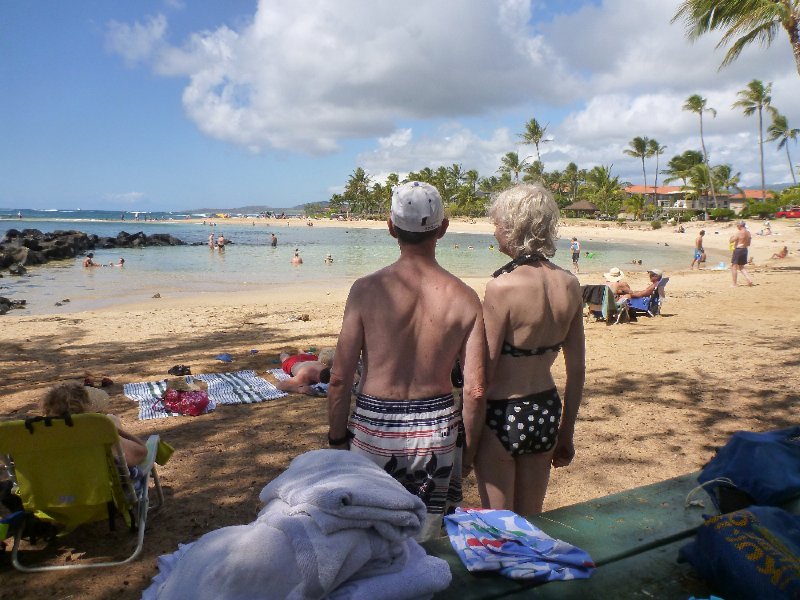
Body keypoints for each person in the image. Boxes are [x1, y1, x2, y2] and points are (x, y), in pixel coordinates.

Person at [327, 181, 486, 541]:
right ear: (443, 229)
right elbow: (475, 390)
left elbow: (339, 378)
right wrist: (468, 455)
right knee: (425, 540)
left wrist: (337, 439)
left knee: (367, 537)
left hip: (373, 426)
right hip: (436, 433)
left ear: (391, 227)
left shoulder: (365, 290)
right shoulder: (465, 297)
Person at [476, 184, 585, 515]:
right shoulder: (569, 283)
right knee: (530, 521)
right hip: (545, 410)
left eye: (496, 224)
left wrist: (467, 442)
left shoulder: (502, 287)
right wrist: (566, 433)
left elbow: (484, 370)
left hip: (502, 412)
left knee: (500, 525)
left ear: (512, 225)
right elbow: (577, 370)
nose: (494, 232)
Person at [41, 382, 147, 468]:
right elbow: (141, 452)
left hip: (57, 491)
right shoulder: (96, 432)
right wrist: (115, 430)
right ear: (86, 407)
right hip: (103, 489)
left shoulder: (40, 435)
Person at [730, 220, 754, 287]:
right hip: (744, 249)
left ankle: (734, 284)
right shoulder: (748, 233)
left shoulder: (739, 233)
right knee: (741, 267)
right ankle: (749, 279)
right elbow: (749, 243)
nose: (737, 226)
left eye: (737, 225)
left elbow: (731, 241)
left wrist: (732, 237)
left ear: (740, 225)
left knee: (734, 266)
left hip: (738, 250)